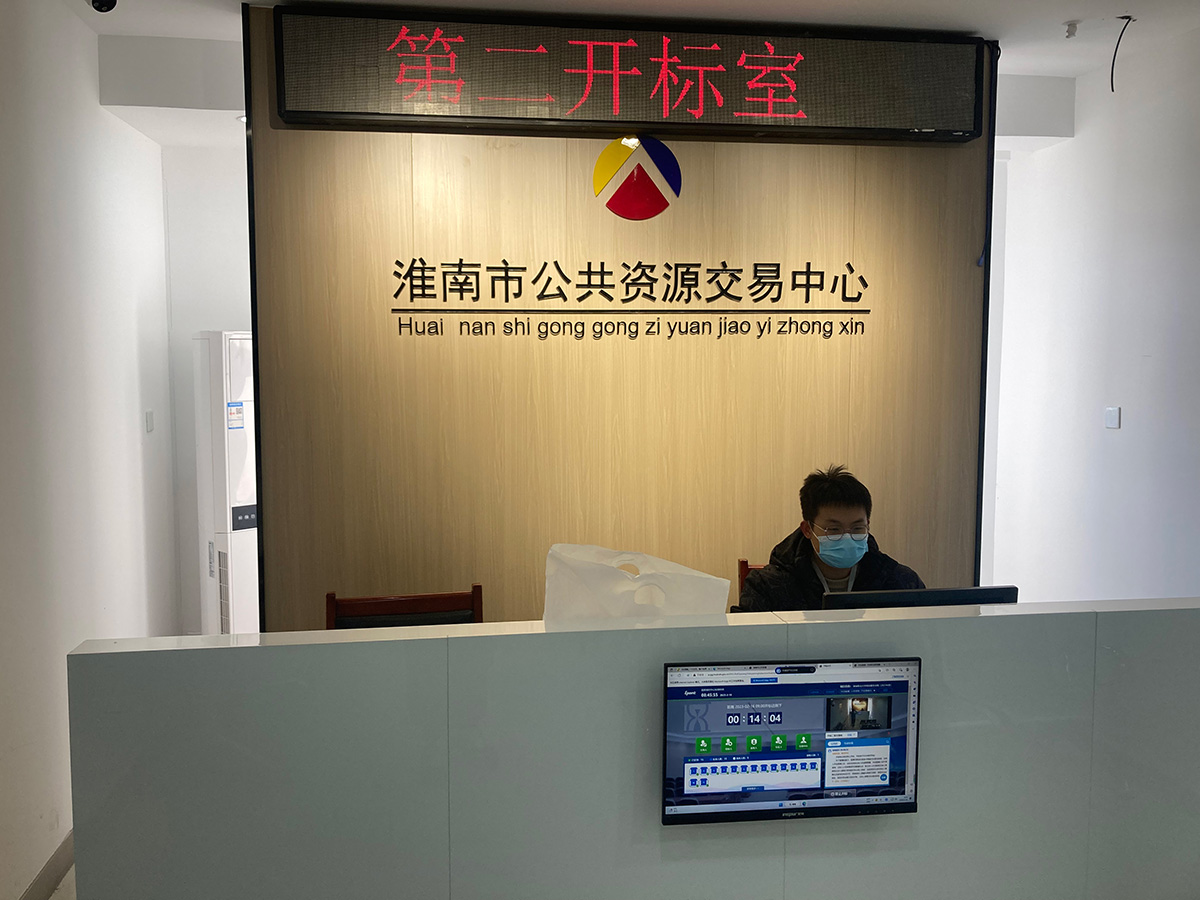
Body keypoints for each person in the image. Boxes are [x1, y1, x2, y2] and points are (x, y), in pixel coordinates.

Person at [739, 465, 923, 611]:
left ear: (868, 525)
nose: (847, 537)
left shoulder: (900, 583)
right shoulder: (767, 587)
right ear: (807, 529)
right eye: (834, 529)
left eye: (857, 528)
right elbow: (744, 641)